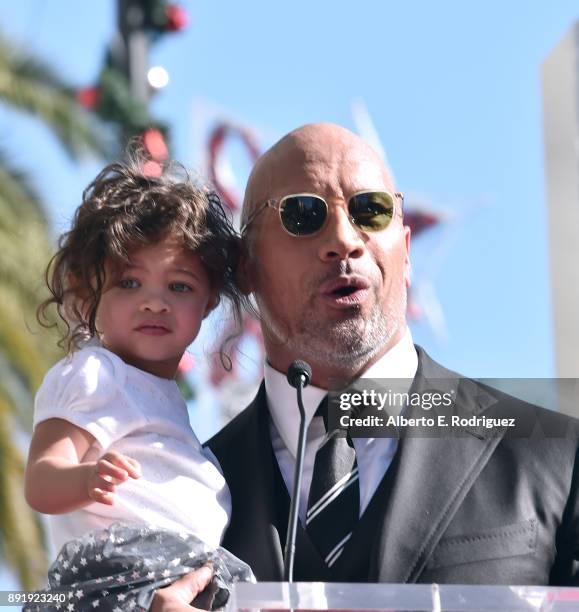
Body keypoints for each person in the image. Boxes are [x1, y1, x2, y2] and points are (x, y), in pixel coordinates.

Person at [155, 123, 579, 610]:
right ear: (245, 264)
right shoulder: (175, 495)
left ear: (407, 247)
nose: (343, 240)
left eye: (370, 210)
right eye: (303, 214)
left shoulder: (557, 458)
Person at [25, 160, 253, 611]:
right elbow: (40, 481)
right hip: (117, 582)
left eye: (179, 286)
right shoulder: (96, 373)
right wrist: (87, 479)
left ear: (208, 302)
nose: (154, 302)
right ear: (90, 294)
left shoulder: (177, 419)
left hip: (182, 581)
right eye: (129, 282)